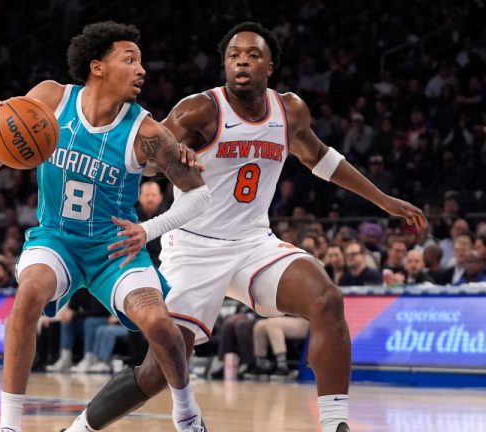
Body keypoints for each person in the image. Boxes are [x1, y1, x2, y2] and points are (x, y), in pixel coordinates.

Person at [65, 22, 426, 432]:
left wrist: (384, 200)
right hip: (194, 248)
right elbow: (145, 160)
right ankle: (79, 429)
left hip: (254, 244)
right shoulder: (198, 109)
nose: (242, 61)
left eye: (253, 55)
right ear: (224, 64)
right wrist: (171, 157)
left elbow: (322, 160)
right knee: (157, 371)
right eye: (234, 55)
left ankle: (335, 424)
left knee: (326, 298)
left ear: (269, 65)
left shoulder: (289, 110)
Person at [0, 21, 211, 432]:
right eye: (130, 59)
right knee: (29, 294)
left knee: (158, 324)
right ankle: (8, 426)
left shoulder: (147, 132)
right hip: (56, 238)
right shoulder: (49, 98)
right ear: (97, 66)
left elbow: (200, 194)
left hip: (114, 247)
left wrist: (149, 229)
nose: (142, 70)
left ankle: (187, 411)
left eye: (142, 62)